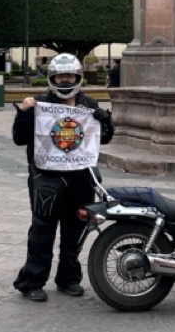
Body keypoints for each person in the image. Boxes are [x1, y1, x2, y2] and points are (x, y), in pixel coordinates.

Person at [11, 53, 114, 302]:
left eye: (69, 76)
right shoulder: (39, 104)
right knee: (42, 231)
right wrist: (24, 113)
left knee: (74, 232)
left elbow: (104, 138)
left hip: (80, 178)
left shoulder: (89, 105)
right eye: (60, 76)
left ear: (77, 77)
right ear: (52, 78)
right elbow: (19, 138)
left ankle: (68, 278)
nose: (65, 80)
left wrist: (106, 122)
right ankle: (32, 281)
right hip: (46, 178)